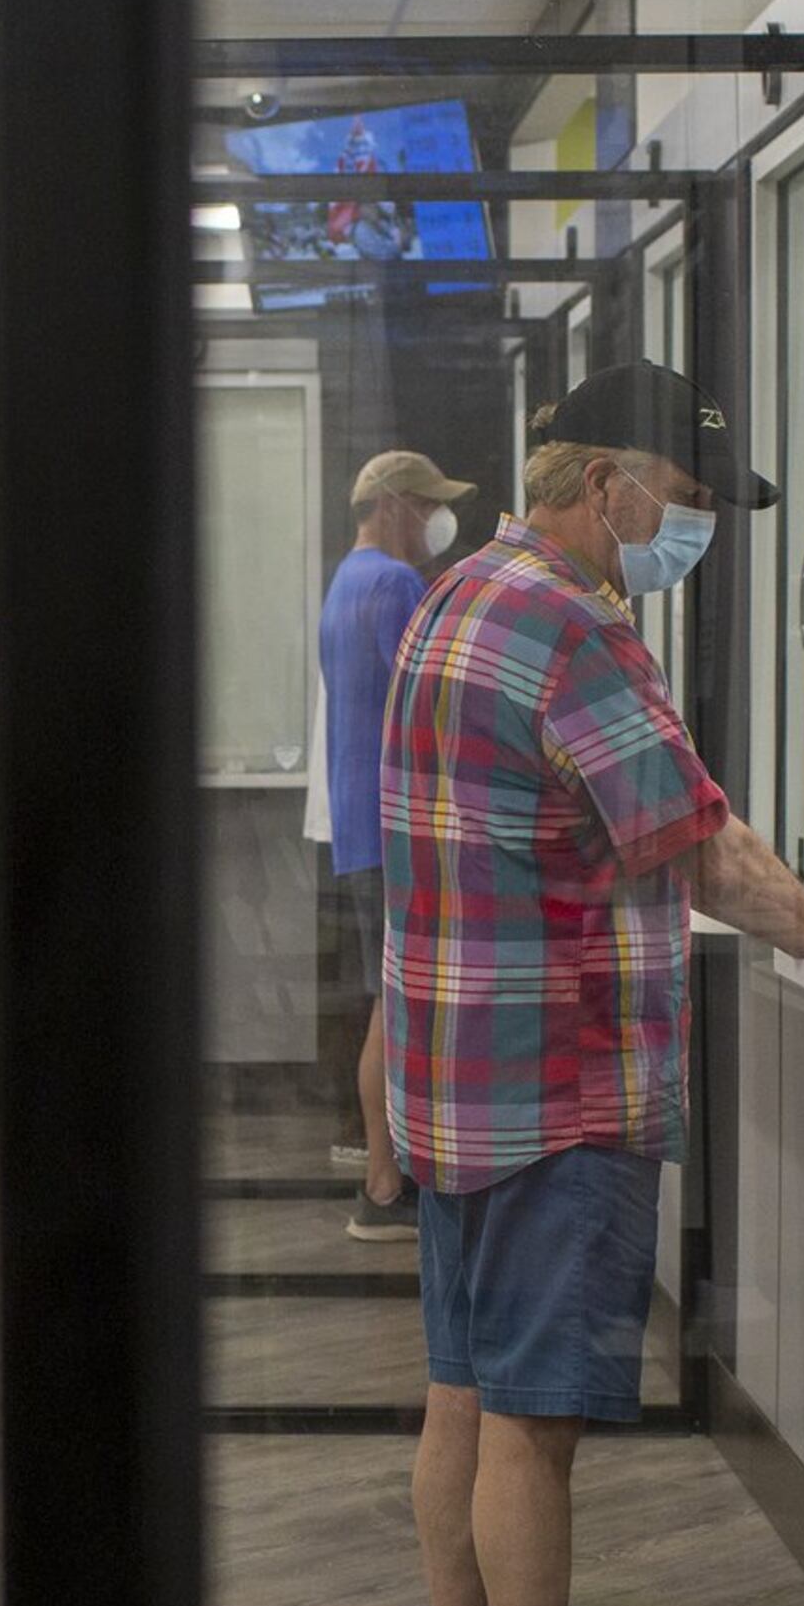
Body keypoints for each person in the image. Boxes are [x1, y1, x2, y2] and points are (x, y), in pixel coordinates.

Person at [380, 364, 804, 1606]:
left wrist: (796, 889)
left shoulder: (463, 593)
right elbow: (695, 847)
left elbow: (653, 813)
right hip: (562, 1079)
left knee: (466, 1392)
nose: (688, 530)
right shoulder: (572, 626)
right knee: (535, 1427)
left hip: (459, 1074)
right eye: (679, 501)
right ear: (601, 485)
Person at [320, 449, 472, 1245]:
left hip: (360, 826)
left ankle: (387, 1175)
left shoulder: (345, 583)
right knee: (395, 1003)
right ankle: (384, 1183)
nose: (435, 521)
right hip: (396, 828)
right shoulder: (394, 586)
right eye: (425, 503)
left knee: (389, 998)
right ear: (390, 504)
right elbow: (436, 706)